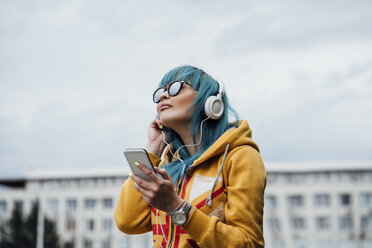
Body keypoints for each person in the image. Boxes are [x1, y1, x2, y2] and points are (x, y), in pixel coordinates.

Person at [114, 65, 266, 248]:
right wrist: (152, 150)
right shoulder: (169, 165)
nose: (163, 95)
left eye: (176, 87)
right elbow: (128, 222)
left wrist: (176, 206)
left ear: (210, 102)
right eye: (160, 92)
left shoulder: (240, 156)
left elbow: (248, 242)